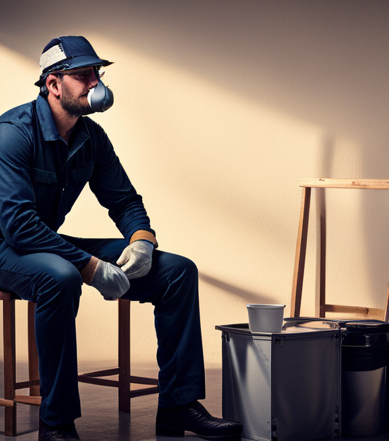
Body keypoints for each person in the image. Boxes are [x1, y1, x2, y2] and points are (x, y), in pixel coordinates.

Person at [0, 36, 242, 441]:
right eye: (82, 75)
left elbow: (125, 200)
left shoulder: (91, 137)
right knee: (60, 277)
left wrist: (141, 240)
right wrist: (89, 266)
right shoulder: (12, 134)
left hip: (45, 242)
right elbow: (18, 225)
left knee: (177, 271)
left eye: (97, 73)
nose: (94, 83)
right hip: (8, 245)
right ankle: (55, 424)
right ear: (53, 84)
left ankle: (178, 406)